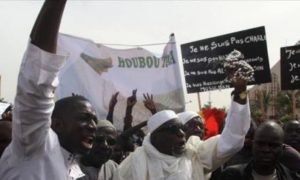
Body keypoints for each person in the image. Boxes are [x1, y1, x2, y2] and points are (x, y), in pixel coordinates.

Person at [0, 0, 98, 179]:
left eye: (94, 121)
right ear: (57, 124)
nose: (93, 127)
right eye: (85, 118)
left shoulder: (77, 171)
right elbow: (37, 81)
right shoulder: (35, 145)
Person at [115, 76, 251, 180]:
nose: (181, 134)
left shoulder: (194, 154)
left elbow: (231, 141)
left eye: (181, 128)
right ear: (156, 136)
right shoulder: (133, 163)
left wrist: (240, 94)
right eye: (173, 129)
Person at [220, 121, 296, 180]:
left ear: (282, 149)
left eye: (273, 145)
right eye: (261, 144)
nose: (266, 150)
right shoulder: (231, 176)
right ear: (253, 145)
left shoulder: (292, 177)